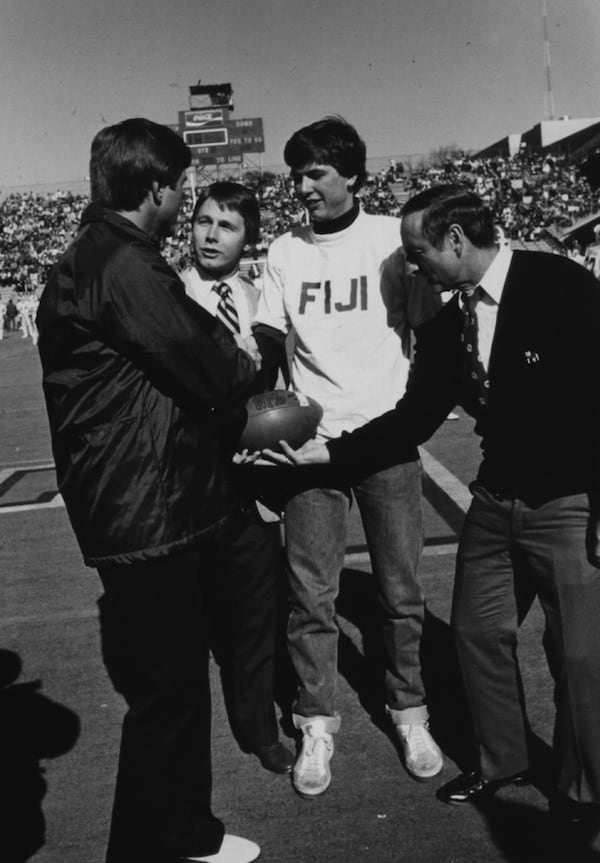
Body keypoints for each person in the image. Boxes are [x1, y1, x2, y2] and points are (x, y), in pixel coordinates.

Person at [272, 183, 600, 831]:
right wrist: (325, 458)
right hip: (496, 496)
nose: (412, 268)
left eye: (417, 253)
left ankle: (586, 791)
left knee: (582, 653)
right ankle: (504, 760)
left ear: (456, 240)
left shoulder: (560, 284)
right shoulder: (452, 318)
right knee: (476, 631)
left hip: (570, 500)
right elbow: (415, 415)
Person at [36, 118, 261, 863]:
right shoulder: (126, 266)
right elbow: (214, 367)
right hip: (145, 509)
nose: (184, 204)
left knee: (177, 687)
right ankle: (146, 848)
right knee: (165, 697)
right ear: (158, 190)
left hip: (138, 501)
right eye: (181, 190)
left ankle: (188, 830)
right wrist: (245, 358)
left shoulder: (91, 257)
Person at [252, 117, 443, 798]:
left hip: (384, 439)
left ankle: (409, 709)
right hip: (310, 448)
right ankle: (315, 721)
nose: (301, 186)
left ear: (354, 175)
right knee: (311, 596)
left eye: (315, 174)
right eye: (295, 174)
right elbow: (269, 352)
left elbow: (429, 331)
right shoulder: (283, 251)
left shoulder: (393, 238)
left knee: (399, 592)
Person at [179, 181, 294, 776]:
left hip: (251, 484)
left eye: (225, 226)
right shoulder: (169, 294)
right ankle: (185, 733)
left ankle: (259, 727)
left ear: (249, 238)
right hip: (187, 482)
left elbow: (281, 390)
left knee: (255, 608)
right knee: (190, 617)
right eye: (201, 221)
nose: (209, 235)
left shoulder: (264, 301)